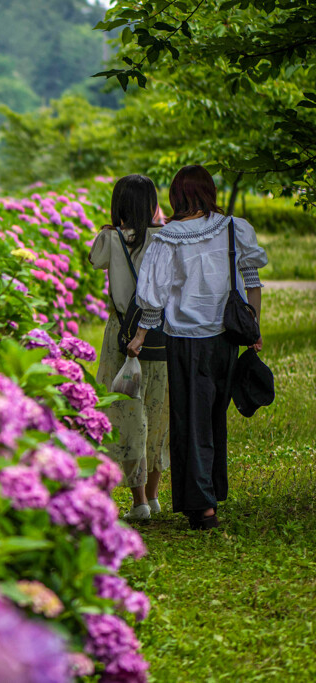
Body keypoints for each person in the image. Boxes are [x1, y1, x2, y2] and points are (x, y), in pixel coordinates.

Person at [129, 165, 267, 530]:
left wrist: (141, 335)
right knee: (212, 417)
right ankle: (211, 492)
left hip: (187, 340)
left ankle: (202, 506)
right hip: (226, 338)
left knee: (190, 420)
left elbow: (153, 295)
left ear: (176, 196)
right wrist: (254, 324)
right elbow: (252, 278)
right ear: (209, 192)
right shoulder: (234, 228)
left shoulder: (169, 237)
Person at [90, 174, 169, 522]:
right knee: (158, 411)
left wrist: (115, 226)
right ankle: (153, 496)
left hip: (120, 333)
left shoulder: (110, 238)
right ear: (152, 203)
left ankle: (137, 501)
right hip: (160, 332)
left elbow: (95, 261)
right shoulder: (165, 238)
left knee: (127, 413)